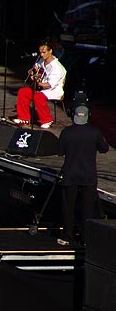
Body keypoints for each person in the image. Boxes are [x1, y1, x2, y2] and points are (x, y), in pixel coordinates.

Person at [57, 105, 109, 245]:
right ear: (87, 116)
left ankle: (67, 236)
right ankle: (86, 238)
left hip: (70, 174)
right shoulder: (94, 132)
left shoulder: (67, 132)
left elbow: (60, 152)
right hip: (88, 175)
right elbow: (104, 149)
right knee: (88, 208)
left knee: (68, 207)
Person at [13, 41, 67, 129]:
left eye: (44, 52)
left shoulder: (56, 68)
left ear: (50, 51)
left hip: (53, 90)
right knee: (23, 92)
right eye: (40, 53)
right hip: (41, 88)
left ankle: (47, 120)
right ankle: (24, 118)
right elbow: (36, 68)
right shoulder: (42, 61)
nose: (41, 55)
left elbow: (49, 85)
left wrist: (38, 83)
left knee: (38, 96)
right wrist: (32, 72)